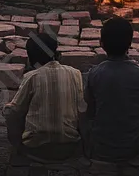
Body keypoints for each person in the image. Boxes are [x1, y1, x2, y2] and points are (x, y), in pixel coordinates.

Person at [5, 31, 85, 162]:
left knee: (11, 110)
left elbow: (15, 111)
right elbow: (82, 110)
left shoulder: (32, 76)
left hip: (36, 150)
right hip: (69, 148)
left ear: (30, 58)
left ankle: (18, 150)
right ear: (56, 54)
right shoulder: (75, 74)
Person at [84, 17, 139, 162]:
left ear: (101, 44)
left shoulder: (95, 74)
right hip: (133, 147)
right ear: (130, 44)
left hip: (102, 147)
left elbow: (90, 108)